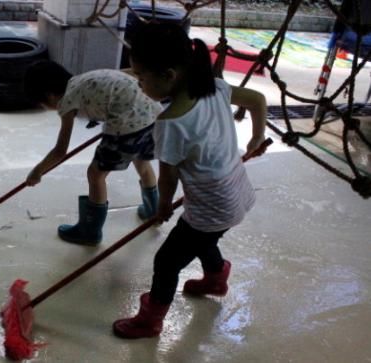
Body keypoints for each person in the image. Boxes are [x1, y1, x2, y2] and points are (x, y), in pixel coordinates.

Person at [113, 23, 267, 339]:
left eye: (141, 77)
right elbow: (256, 99)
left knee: (167, 261)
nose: (139, 83)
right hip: (235, 192)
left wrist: (163, 207)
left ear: (169, 75)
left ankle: (151, 320)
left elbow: (168, 176)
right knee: (202, 238)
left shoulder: (171, 123)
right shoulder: (216, 87)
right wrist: (257, 137)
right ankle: (215, 277)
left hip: (211, 204)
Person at [23, 60, 164, 245]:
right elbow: (125, 77)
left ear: (50, 96)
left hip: (127, 124)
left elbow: (60, 151)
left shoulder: (67, 101)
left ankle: (90, 231)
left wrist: (38, 171)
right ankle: (153, 212)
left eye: (41, 104)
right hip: (154, 115)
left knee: (96, 174)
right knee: (142, 162)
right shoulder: (84, 78)